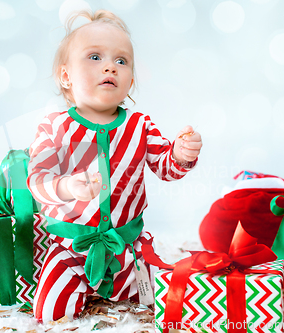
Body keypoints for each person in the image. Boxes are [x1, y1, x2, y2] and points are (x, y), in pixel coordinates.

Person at [26, 9, 202, 323]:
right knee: (50, 314)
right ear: (66, 75)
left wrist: (181, 154)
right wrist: (67, 187)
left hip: (126, 250)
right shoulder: (55, 127)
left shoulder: (140, 125)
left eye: (121, 61)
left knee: (166, 302)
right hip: (69, 249)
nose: (110, 66)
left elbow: (165, 168)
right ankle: (70, 289)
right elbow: (37, 180)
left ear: (130, 81)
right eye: (94, 57)